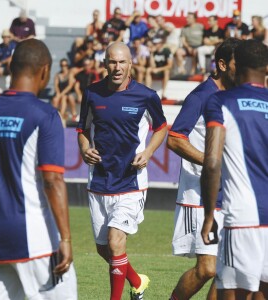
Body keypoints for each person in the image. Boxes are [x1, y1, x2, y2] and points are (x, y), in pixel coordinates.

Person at [0, 39, 77, 300]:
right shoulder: (45, 115)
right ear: (44, 71)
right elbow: (52, 180)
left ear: (10, 70)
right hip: (35, 241)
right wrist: (65, 238)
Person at [77, 42, 167, 300]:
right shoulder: (92, 93)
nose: (117, 67)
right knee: (104, 250)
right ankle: (138, 281)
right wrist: (84, 148)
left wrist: (148, 153)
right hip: (99, 180)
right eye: (112, 62)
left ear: (131, 64)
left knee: (116, 241)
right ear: (105, 63)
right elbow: (82, 129)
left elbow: (161, 127)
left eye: (122, 62)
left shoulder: (147, 95)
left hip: (131, 182)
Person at [167, 38, 242, 300]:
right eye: (237, 64)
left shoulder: (235, 98)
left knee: (227, 270)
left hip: (231, 196)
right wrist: (211, 162)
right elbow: (175, 138)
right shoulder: (201, 95)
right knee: (208, 269)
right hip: (199, 195)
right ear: (221, 65)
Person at [201, 39, 268, 300]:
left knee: (234, 294)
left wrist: (209, 215)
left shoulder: (220, 102)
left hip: (243, 216)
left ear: (235, 65)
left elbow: (213, 162)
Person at [52, 58, 77, 123]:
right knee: (55, 99)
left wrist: (61, 94)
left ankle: (64, 114)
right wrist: (58, 93)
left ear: (67, 65)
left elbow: (70, 86)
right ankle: (54, 115)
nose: (63, 67)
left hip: (68, 92)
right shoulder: (58, 75)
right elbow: (56, 85)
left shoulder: (70, 73)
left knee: (65, 97)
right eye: (62, 65)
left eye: (65, 65)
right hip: (60, 92)